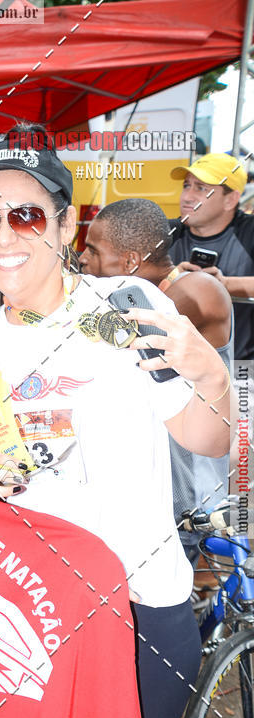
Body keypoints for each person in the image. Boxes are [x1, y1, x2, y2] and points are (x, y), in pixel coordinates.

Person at [0, 133, 233, 718]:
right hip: (32, 618)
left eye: (25, 215)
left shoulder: (125, 309)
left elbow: (205, 437)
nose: (5, 235)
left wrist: (213, 377)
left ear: (65, 222)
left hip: (142, 612)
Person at [79, 197, 233, 565]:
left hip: (190, 492)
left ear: (130, 262)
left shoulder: (195, 289)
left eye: (93, 250)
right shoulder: (149, 291)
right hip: (153, 486)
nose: (82, 259)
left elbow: (128, 328)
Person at [167, 152, 254, 359]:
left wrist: (224, 285)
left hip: (242, 365)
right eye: (186, 185)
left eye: (201, 188)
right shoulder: (166, 231)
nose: (187, 196)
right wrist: (172, 278)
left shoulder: (249, 231)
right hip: (177, 363)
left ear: (230, 200)